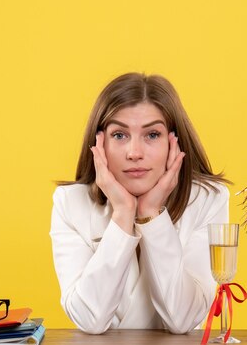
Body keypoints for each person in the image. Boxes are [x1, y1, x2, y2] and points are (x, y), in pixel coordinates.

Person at [50, 72, 230, 334]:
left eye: (152, 135)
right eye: (120, 135)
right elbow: (90, 319)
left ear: (174, 143)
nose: (134, 153)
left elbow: (183, 320)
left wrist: (151, 214)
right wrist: (123, 213)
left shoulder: (206, 199)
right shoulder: (70, 203)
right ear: (99, 144)